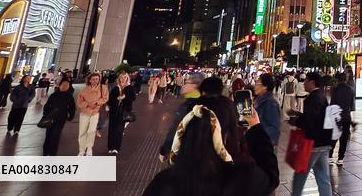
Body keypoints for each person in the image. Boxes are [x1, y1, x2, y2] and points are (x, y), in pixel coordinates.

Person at [141, 104, 279, 196]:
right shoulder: (243, 177)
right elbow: (271, 176)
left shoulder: (163, 183)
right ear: (225, 137)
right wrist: (256, 129)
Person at [289, 72, 333, 196]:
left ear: (312, 82)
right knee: (323, 177)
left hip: (312, 145)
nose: (304, 83)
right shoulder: (321, 96)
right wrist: (298, 114)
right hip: (323, 143)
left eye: (306, 80)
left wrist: (296, 120)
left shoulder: (313, 98)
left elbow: (310, 120)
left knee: (300, 174)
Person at [76, 72, 108, 155]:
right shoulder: (84, 90)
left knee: (91, 131)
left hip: (95, 112)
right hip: (85, 112)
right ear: (89, 80)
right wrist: (87, 104)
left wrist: (96, 103)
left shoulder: (103, 88)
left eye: (97, 79)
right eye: (93, 79)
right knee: (82, 131)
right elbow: (79, 101)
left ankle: (89, 149)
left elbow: (105, 98)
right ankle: (81, 150)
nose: (95, 81)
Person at [41, 79, 76, 155]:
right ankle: (45, 152)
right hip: (51, 117)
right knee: (48, 135)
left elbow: (72, 107)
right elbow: (47, 105)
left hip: (61, 118)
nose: (65, 87)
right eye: (63, 85)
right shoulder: (54, 95)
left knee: (56, 135)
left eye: (67, 85)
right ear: (60, 86)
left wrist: (71, 116)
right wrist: (45, 114)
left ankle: (52, 153)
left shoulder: (69, 96)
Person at [329, 71, 356, 165]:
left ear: (337, 80)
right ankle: (340, 158)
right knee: (344, 138)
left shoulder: (335, 90)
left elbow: (332, 104)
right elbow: (352, 105)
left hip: (336, 117)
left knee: (334, 137)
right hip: (346, 117)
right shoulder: (351, 90)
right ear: (346, 79)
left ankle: (330, 156)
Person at [107, 72, 136, 155]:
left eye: (125, 77)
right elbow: (110, 99)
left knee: (119, 130)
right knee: (111, 129)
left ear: (127, 78)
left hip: (123, 112)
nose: (123, 79)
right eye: (121, 77)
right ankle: (110, 147)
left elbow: (133, 98)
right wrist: (116, 99)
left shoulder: (129, 87)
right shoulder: (116, 87)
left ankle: (116, 148)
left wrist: (125, 96)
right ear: (119, 78)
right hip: (113, 111)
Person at [253, 73, 280, 146]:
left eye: (257, 83)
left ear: (265, 86)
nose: (254, 86)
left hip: (263, 145)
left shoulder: (270, 103)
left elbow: (274, 128)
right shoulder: (258, 100)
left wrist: (258, 135)